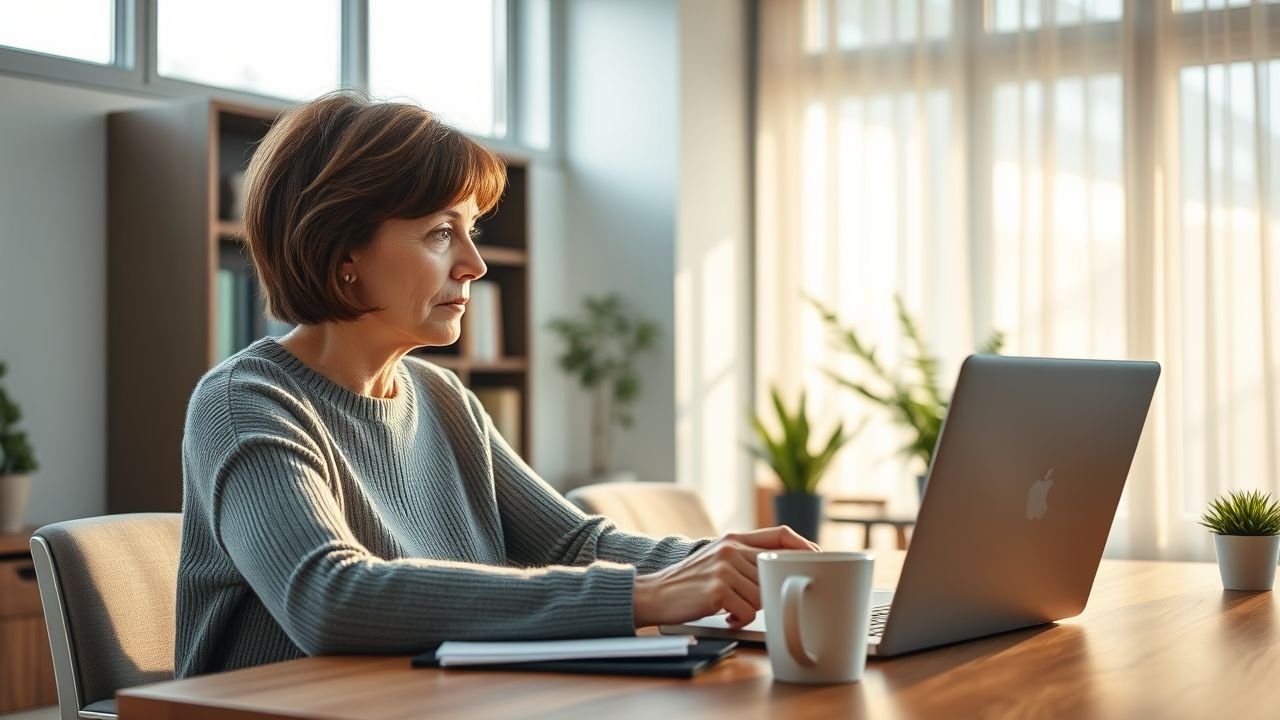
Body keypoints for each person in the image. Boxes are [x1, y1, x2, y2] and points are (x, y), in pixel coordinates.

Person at [175, 90, 817, 678]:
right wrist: (647, 595)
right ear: (343, 252)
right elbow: (328, 597)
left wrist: (722, 562)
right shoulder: (246, 401)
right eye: (440, 233)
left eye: (471, 232)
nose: (474, 264)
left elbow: (573, 542)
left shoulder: (441, 397)